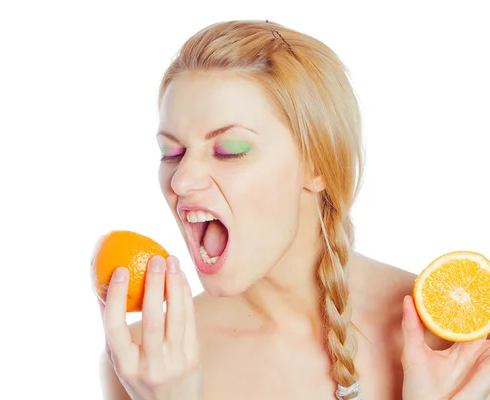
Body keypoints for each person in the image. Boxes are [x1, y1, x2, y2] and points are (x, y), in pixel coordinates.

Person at [96, 19, 490, 399]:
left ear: (317, 163)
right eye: (172, 152)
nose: (180, 181)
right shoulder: (145, 363)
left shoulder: (456, 328)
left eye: (228, 150)